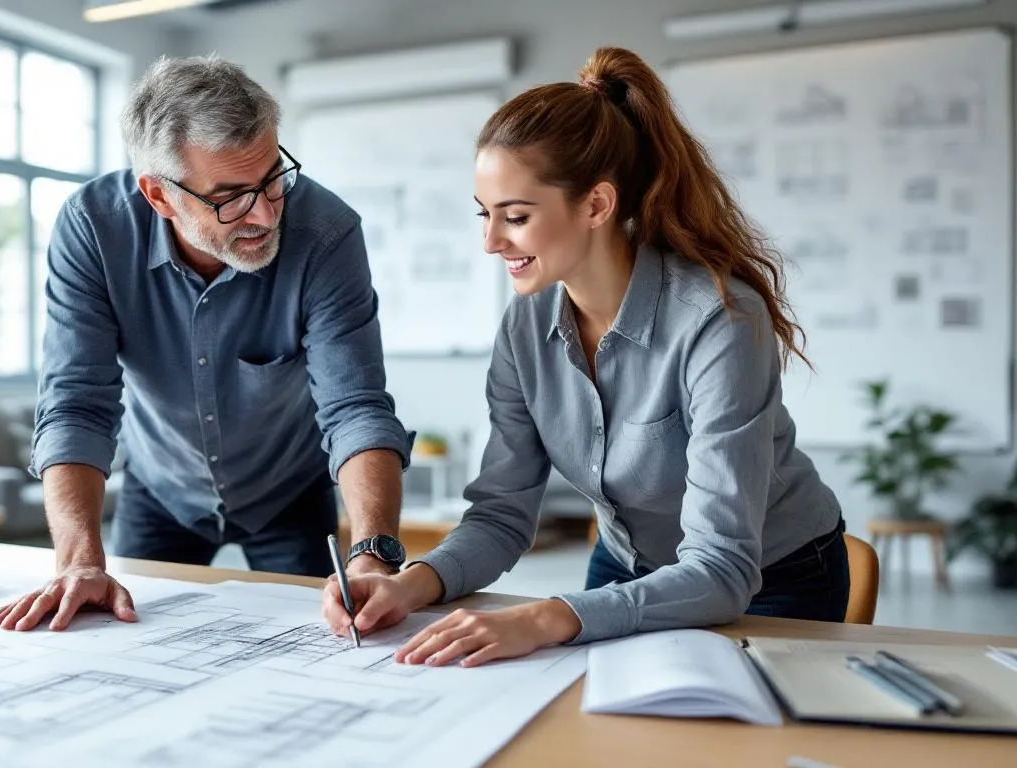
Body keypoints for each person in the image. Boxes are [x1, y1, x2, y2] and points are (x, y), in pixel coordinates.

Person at [322, 46, 849, 666]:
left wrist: (549, 614)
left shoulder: (718, 321)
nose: (490, 242)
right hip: (629, 564)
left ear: (597, 205)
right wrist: (409, 584)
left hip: (771, 578)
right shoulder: (524, 327)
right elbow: (501, 516)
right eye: (484, 215)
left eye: (515, 216)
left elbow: (721, 567)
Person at [0, 55, 413, 633]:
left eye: (273, 178)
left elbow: (355, 407)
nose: (265, 214)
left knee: (337, 637)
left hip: (288, 489)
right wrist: (77, 560)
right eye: (230, 196)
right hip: (159, 486)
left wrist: (374, 551)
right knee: (118, 645)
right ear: (159, 196)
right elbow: (77, 403)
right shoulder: (94, 228)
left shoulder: (326, 232)